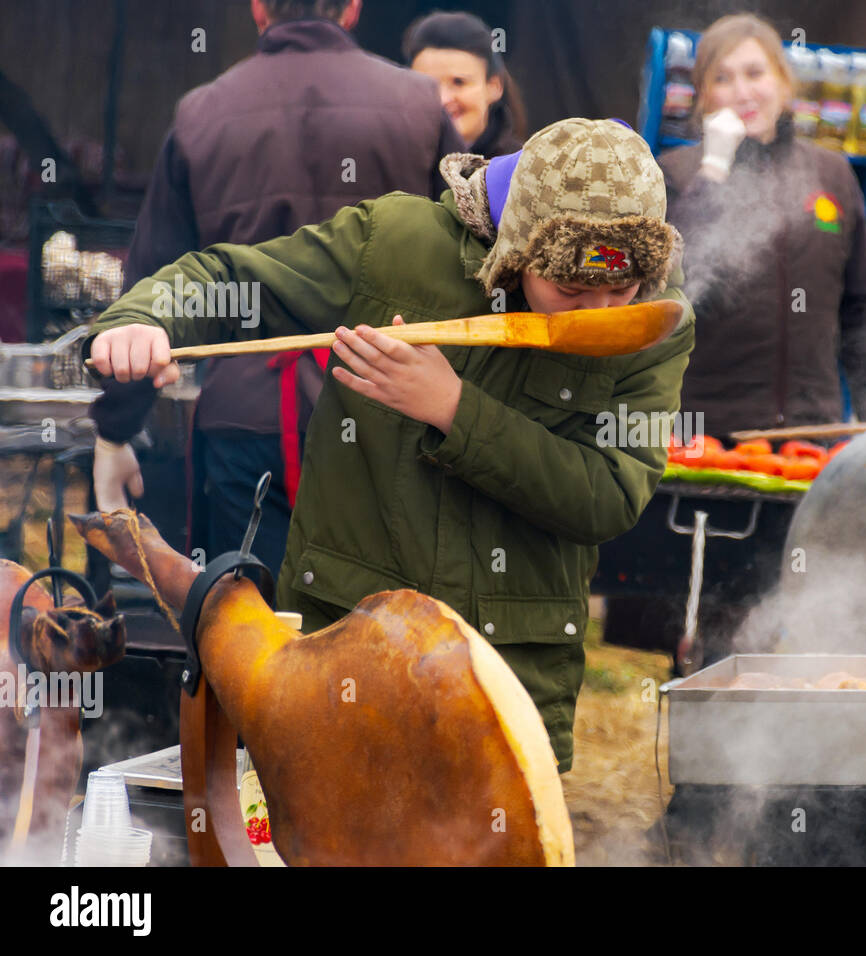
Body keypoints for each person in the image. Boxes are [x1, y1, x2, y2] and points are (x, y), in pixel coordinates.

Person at [84, 119, 694, 774]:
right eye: (569, 291)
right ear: (516, 251)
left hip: (507, 671)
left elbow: (606, 497)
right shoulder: (396, 247)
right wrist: (142, 319)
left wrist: (453, 409)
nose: (595, 312)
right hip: (348, 643)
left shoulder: (654, 324)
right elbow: (229, 275)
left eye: (620, 289)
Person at [91, 0, 464, 584]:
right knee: (383, 642)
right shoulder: (420, 102)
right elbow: (467, 254)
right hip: (388, 408)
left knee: (249, 639)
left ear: (258, 6)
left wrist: (116, 427)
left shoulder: (201, 111)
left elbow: (155, 281)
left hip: (247, 422)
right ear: (353, 6)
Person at [658, 13, 866, 436]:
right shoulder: (674, 175)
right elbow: (673, 293)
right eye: (722, 78)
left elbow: (860, 309)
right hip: (703, 433)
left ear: (784, 84)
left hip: (809, 430)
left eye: (754, 73)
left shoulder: (832, 174)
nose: (742, 92)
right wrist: (714, 169)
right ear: (704, 96)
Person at [404, 10, 527, 158]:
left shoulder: (522, 170)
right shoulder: (396, 162)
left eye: (458, 82)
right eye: (428, 85)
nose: (443, 99)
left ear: (494, 86)